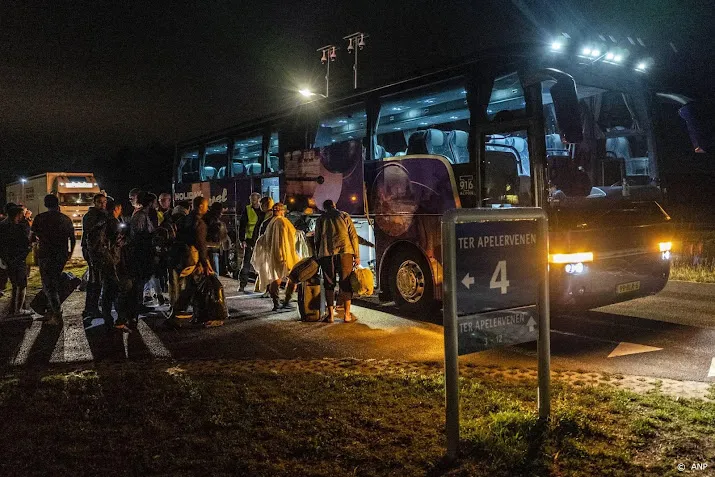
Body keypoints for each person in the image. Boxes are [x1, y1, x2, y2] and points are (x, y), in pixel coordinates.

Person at [170, 196, 221, 326]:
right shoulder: (199, 223)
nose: (207, 208)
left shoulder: (184, 219)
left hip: (182, 258)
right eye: (205, 205)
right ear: (200, 206)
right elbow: (201, 245)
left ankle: (193, 314)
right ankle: (179, 313)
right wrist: (205, 263)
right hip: (193, 259)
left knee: (192, 287)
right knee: (194, 288)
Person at [31, 194, 76, 325]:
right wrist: (70, 253)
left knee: (49, 285)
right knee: (54, 283)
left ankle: (56, 315)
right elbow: (72, 238)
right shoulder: (65, 219)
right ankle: (51, 311)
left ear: (46, 204)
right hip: (61, 255)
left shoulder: (40, 218)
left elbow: (32, 237)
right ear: (58, 204)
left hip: (45, 255)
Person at [314, 199, 360, 323]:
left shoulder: (320, 219)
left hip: (326, 254)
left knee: (329, 283)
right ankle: (346, 315)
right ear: (335, 206)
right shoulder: (344, 215)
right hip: (345, 252)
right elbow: (353, 236)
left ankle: (330, 316)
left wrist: (317, 255)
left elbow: (317, 239)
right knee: (346, 283)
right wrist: (356, 255)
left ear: (324, 208)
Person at [251, 203, 299, 311]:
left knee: (275, 277)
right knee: (293, 277)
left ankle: (276, 303)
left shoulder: (269, 222)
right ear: (282, 211)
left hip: (272, 255)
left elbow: (263, 238)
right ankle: (286, 300)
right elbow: (293, 235)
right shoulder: (283, 221)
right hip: (285, 255)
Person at [0, 205, 32, 316]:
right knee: (22, 284)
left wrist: (4, 258)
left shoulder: (2, 226)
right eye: (21, 214)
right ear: (17, 215)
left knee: (14, 284)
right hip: (18, 259)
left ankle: (14, 308)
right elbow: (26, 242)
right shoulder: (18, 228)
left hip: (7, 259)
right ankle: (19, 309)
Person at [81, 193, 108, 321]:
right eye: (100, 202)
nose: (103, 204)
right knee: (95, 281)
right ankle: (92, 308)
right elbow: (90, 231)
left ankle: (90, 308)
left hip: (95, 250)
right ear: (95, 202)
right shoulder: (91, 216)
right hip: (92, 251)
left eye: (104, 202)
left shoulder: (100, 214)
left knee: (96, 280)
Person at [237, 192, 265, 291]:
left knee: (262, 264)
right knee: (246, 263)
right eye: (251, 200)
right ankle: (242, 285)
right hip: (250, 240)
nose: (252, 202)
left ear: (259, 200)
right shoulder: (248, 209)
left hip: (261, 240)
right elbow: (242, 225)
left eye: (254, 200)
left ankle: (261, 286)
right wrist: (242, 240)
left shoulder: (264, 211)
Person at [204, 201, 227, 275]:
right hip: (212, 249)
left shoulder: (208, 217)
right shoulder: (214, 221)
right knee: (214, 273)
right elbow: (215, 236)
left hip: (208, 249)